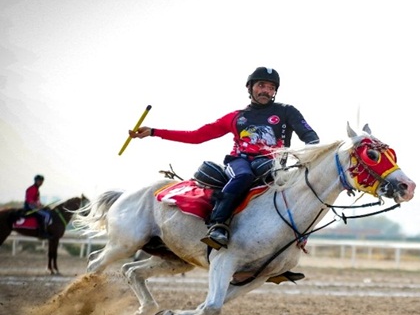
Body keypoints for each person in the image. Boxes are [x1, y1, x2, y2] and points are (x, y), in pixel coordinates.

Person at [128, 66, 320, 250]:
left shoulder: (287, 111)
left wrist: (313, 152)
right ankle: (217, 225)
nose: (266, 91)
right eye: (261, 85)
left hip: (272, 163)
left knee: (300, 188)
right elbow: (196, 136)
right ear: (250, 87)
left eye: (271, 88)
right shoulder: (235, 117)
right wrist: (154, 132)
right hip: (240, 162)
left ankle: (293, 243)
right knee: (243, 176)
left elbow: (310, 136)